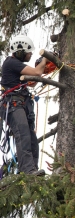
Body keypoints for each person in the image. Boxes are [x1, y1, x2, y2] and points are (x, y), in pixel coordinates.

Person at [1, 34, 48, 176]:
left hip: (21, 104)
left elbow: (33, 80)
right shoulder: (11, 62)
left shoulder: (17, 66)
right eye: (28, 52)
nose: (30, 54)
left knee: (32, 139)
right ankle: (27, 170)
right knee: (23, 136)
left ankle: (32, 169)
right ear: (20, 51)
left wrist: (41, 67)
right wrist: (45, 59)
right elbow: (36, 72)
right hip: (12, 104)